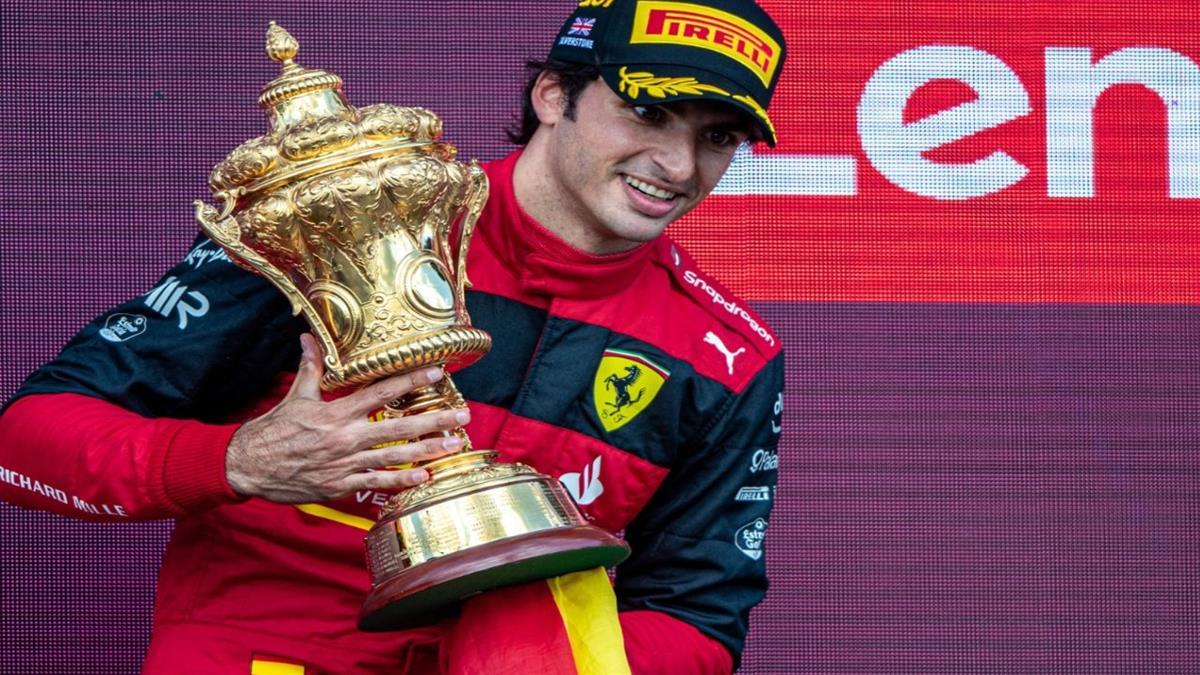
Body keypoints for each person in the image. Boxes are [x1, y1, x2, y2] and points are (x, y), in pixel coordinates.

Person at [0, 0, 786, 672]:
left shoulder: (726, 357)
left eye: (718, 137)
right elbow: (24, 439)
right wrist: (239, 460)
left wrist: (549, 662)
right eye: (648, 113)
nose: (678, 163)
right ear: (553, 94)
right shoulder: (329, 223)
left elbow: (697, 612)